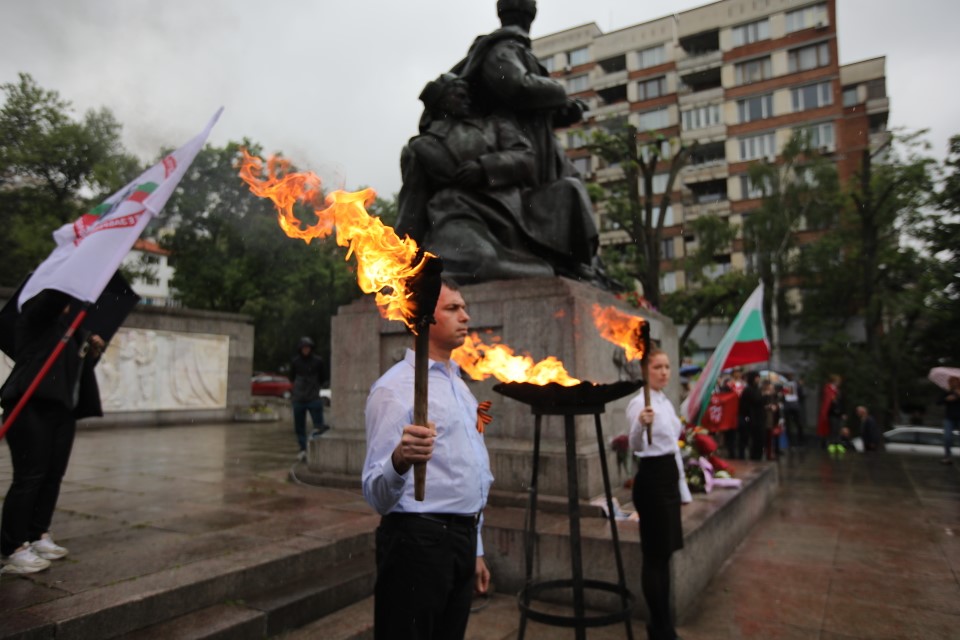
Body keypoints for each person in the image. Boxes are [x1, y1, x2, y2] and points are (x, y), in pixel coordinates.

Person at [362, 276, 493, 639]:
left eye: (463, 307)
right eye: (452, 308)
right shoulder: (393, 389)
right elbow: (376, 493)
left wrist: (476, 549)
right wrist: (399, 460)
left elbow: (471, 472)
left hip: (462, 540)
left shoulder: (461, 387)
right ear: (422, 319)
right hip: (417, 543)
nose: (465, 316)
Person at [442, 0, 603, 282]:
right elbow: (517, 88)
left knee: (571, 188)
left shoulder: (514, 49)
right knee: (569, 190)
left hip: (526, 157)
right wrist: (559, 91)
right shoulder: (502, 49)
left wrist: (563, 110)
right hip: (507, 160)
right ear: (531, 17)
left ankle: (575, 264)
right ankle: (564, 262)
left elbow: (529, 102)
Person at [396, 73, 556, 282]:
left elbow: (525, 158)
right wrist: (399, 258)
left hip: (506, 211)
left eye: (467, 96)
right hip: (454, 214)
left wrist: (485, 168)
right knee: (483, 261)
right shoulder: (421, 147)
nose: (467, 100)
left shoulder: (495, 126)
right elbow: (412, 204)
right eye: (459, 96)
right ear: (442, 102)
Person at [1, 290, 104, 574]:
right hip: (29, 407)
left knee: (52, 475)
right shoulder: (35, 319)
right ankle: (12, 546)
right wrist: (77, 272)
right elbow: (53, 300)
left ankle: (37, 533)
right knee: (29, 477)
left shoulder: (72, 329)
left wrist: (90, 346)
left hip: (61, 411)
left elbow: (68, 371)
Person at [627, 348, 691, 640]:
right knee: (654, 556)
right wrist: (641, 424)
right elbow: (635, 446)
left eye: (667, 366)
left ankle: (663, 623)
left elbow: (673, 449)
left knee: (664, 555)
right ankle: (659, 627)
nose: (664, 372)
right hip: (651, 479)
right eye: (657, 367)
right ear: (644, 370)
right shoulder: (639, 403)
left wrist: (683, 490)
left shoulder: (664, 400)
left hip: (668, 477)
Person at [289, 336, 327, 462]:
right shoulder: (295, 362)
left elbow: (323, 377)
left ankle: (317, 449)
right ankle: (303, 449)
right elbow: (291, 378)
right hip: (299, 399)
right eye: (303, 348)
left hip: (313, 398)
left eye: (308, 348)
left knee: (318, 425)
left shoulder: (318, 361)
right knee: (299, 427)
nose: (306, 350)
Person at [737, 371, 765, 460]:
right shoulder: (748, 390)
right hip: (752, 419)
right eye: (757, 377)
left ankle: (758, 456)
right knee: (753, 440)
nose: (758, 379)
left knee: (759, 440)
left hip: (759, 418)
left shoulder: (757, 389)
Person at [817, 374, 845, 454]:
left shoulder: (837, 390)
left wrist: (842, 412)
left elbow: (841, 402)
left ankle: (838, 444)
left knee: (837, 429)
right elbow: (827, 402)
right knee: (832, 429)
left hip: (838, 413)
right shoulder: (828, 389)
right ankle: (831, 444)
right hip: (831, 413)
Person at [938, 376, 960, 465]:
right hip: (949, 418)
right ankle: (947, 456)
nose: (954, 383)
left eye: (955, 381)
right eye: (952, 381)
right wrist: (946, 399)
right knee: (947, 437)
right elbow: (938, 402)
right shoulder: (947, 392)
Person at [781, 373, 804, 448]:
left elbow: (783, 396)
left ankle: (794, 441)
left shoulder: (785, 384)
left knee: (791, 424)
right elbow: (801, 395)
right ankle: (798, 441)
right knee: (796, 424)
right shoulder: (796, 385)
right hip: (794, 406)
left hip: (789, 406)